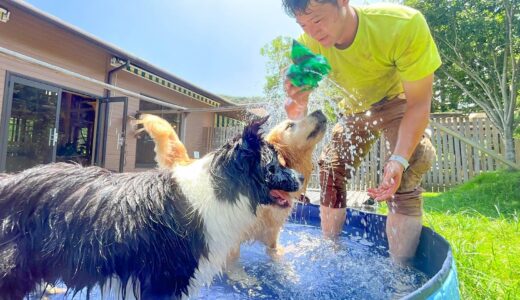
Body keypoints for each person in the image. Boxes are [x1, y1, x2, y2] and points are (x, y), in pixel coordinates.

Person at [282, 0, 440, 263]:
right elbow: (296, 114)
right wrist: (296, 100)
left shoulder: (401, 25)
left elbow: (419, 104)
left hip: (397, 101)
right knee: (331, 168)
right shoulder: (308, 46)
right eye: (303, 25)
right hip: (355, 110)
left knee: (411, 163)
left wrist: (399, 159)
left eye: (318, 20)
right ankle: (330, 251)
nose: (312, 32)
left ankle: (400, 273)